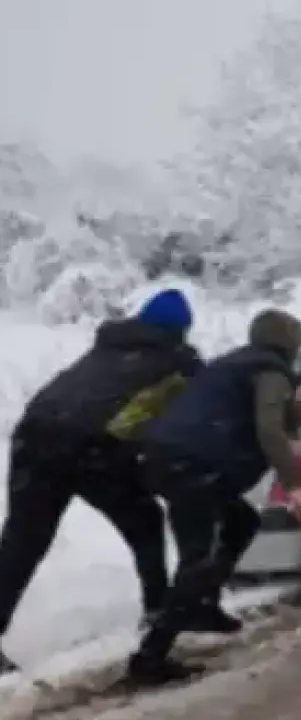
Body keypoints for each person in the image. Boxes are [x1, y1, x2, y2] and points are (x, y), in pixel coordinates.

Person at [0, 289, 201, 676]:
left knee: (24, 539)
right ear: (181, 331)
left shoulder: (109, 345)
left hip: (34, 433)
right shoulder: (177, 361)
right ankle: (158, 613)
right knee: (146, 523)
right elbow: (188, 417)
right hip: (91, 446)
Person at [128, 307, 301, 686]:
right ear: (291, 344)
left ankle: (203, 604)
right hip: (192, 465)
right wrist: (296, 484)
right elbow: (268, 428)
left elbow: (244, 414)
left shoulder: (233, 364)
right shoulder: (271, 371)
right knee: (196, 558)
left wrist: (297, 415)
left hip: (166, 458)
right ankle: (150, 657)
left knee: (240, 521)